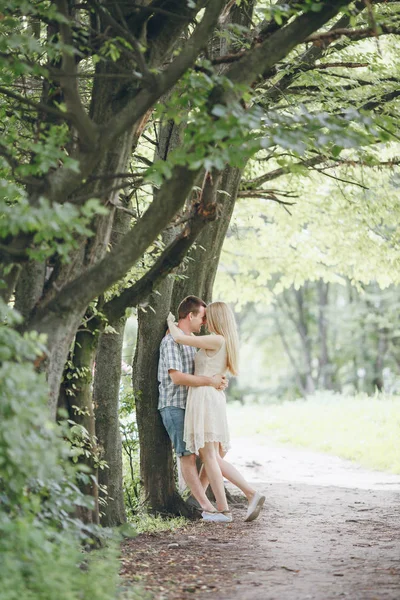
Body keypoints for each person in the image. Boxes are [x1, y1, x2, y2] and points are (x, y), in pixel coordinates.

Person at [167, 301, 265, 523]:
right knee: (211, 456)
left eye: (207, 316)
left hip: (205, 398)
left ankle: (232, 505)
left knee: (210, 456)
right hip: (207, 396)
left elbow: (180, 338)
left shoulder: (216, 339)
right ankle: (233, 504)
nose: (204, 320)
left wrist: (170, 321)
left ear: (216, 318)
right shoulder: (220, 341)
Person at [158, 296, 229, 522]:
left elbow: (203, 369)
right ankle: (208, 508)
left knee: (214, 452)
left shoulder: (193, 341)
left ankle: (196, 499)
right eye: (202, 317)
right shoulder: (171, 342)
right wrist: (210, 381)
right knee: (187, 456)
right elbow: (177, 377)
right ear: (191, 316)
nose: (205, 322)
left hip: (193, 407)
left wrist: (218, 380)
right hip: (174, 404)